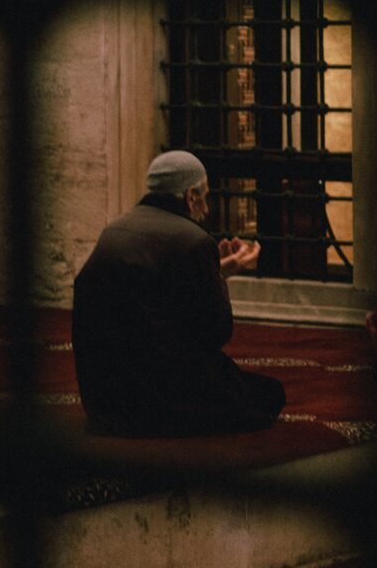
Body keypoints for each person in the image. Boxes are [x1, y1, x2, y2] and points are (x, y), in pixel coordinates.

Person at [71, 150, 286, 437]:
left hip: (104, 398)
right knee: (269, 394)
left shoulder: (116, 229)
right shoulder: (194, 239)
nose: (206, 210)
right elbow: (216, 331)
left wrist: (216, 269)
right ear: (191, 196)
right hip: (156, 397)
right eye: (204, 197)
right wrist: (215, 275)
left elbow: (155, 295)